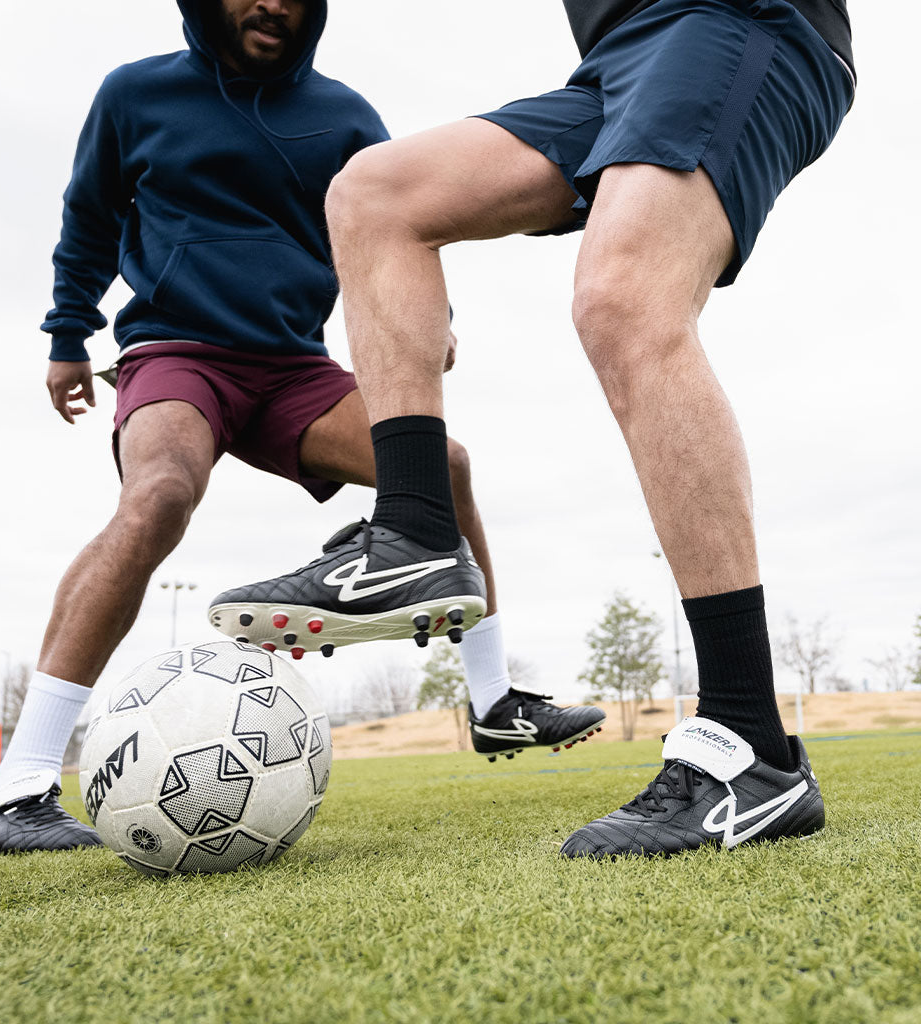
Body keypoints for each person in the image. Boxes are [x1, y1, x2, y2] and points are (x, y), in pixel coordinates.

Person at [211, 0, 855, 857]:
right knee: (374, 195)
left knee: (624, 300)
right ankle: (415, 529)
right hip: (615, 66)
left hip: (737, 20)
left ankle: (752, 747)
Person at [0, 0, 605, 855]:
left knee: (442, 467)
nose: (271, 3)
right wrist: (67, 336)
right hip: (176, 352)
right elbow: (89, 218)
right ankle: (19, 785)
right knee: (158, 498)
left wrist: (437, 312)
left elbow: (406, 218)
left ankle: (494, 706)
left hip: (292, 369)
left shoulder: (342, 116)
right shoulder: (136, 94)